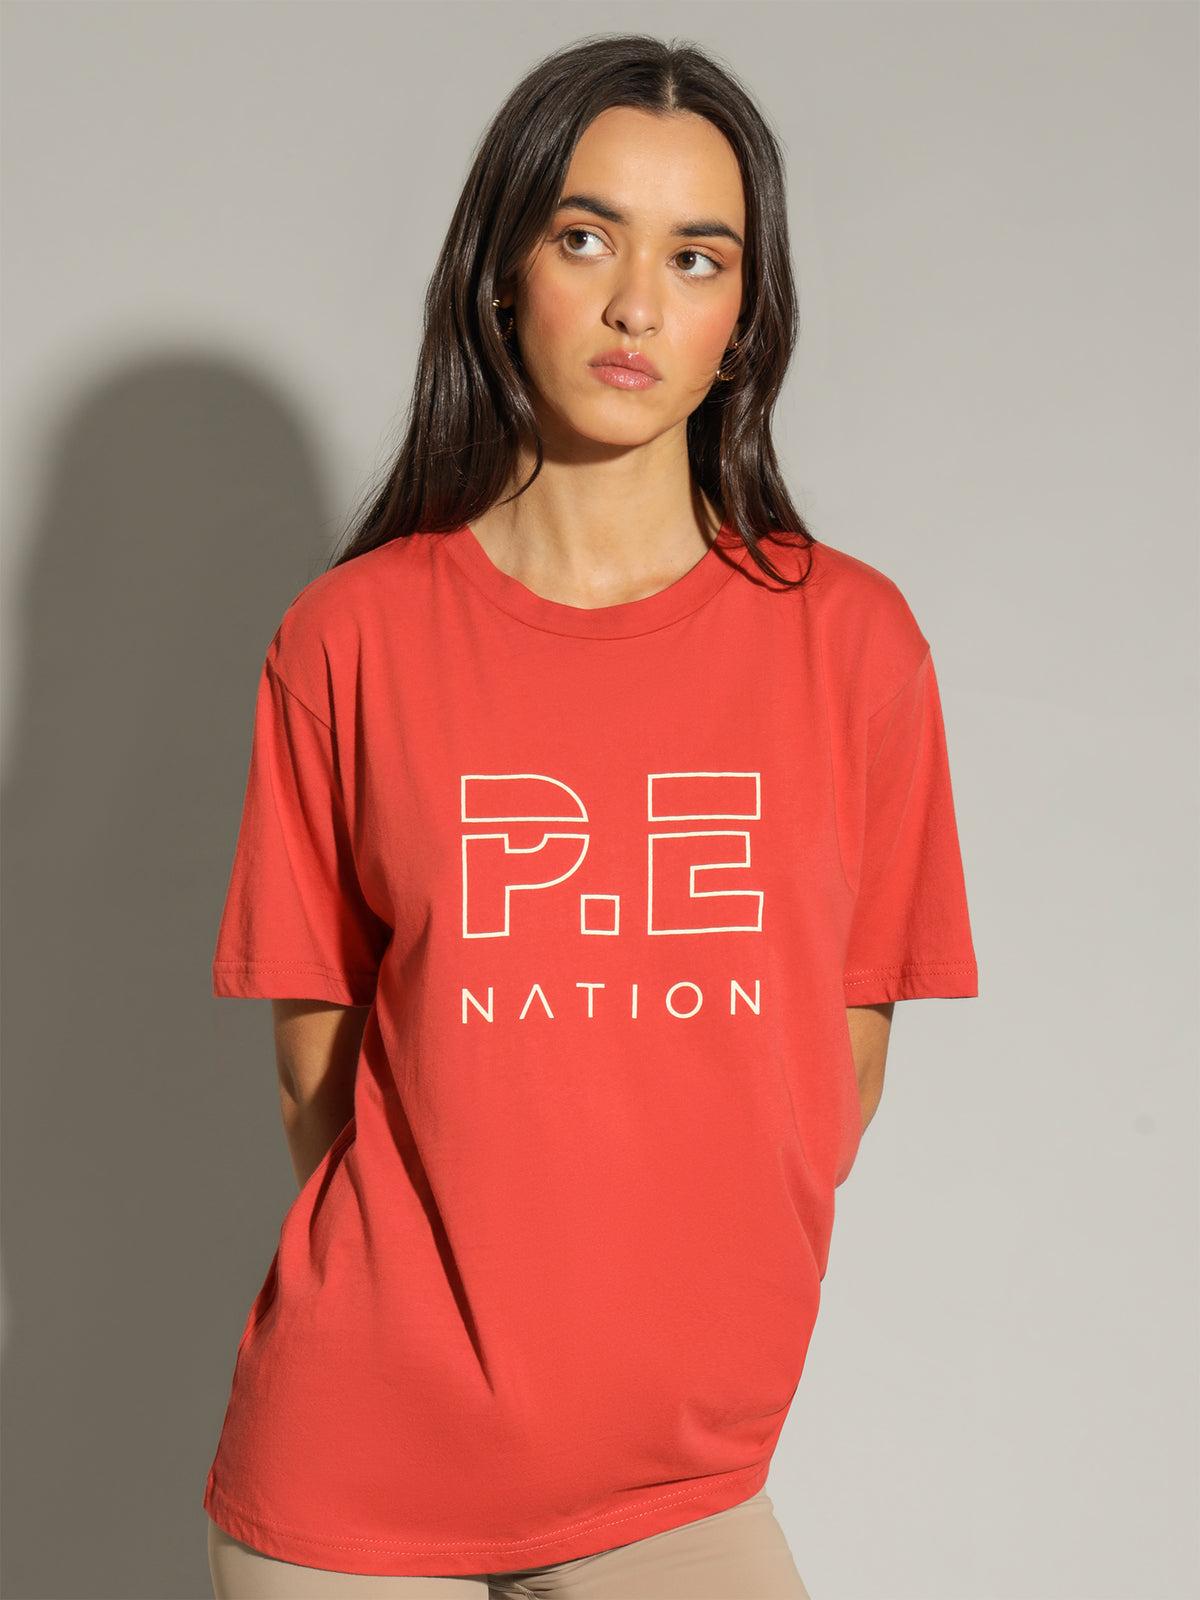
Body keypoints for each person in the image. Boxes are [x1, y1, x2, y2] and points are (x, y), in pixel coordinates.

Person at [203, 31, 978, 1600]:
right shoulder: (349, 640)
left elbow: (840, 1063)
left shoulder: (853, 646)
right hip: (358, 1458)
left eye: (696, 257)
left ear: (742, 318)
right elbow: (315, 1078)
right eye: (585, 237)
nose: (637, 304)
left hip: (677, 1473)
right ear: (505, 275)